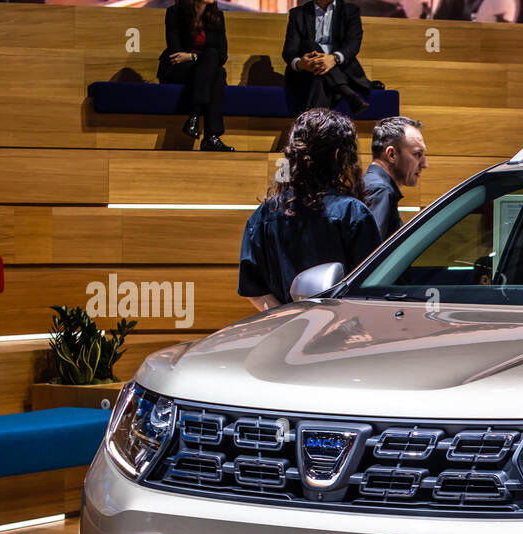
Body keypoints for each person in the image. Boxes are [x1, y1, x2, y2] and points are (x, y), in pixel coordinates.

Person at [238, 108, 382, 310]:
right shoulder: (352, 213)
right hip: (342, 333)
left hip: (285, 336)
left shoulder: (263, 215)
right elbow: (371, 289)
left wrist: (289, 321)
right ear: (338, 155)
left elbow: (254, 289)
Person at [158, 0, 235, 152]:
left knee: (216, 66)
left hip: (205, 70)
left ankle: (194, 116)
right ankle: (211, 136)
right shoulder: (175, 13)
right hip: (178, 70)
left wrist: (192, 57)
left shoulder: (217, 16)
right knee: (217, 70)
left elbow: (222, 55)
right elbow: (176, 54)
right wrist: (197, 58)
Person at [283, 0, 383, 117]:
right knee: (310, 46)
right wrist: (300, 63)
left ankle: (311, 128)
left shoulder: (350, 11)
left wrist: (333, 59)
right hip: (306, 72)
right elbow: (289, 51)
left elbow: (353, 44)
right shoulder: (298, 13)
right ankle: (347, 92)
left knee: (319, 79)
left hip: (340, 68)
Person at [362, 115, 427, 242]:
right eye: (417, 155)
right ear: (391, 155)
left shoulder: (372, 185)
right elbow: (371, 256)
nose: (425, 164)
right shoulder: (379, 190)